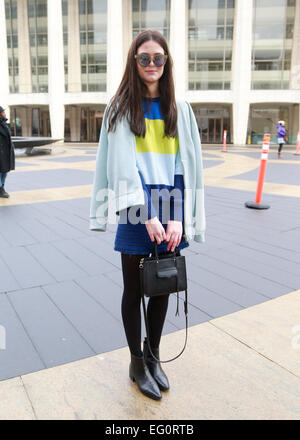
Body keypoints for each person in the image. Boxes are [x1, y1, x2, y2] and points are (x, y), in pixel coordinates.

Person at [90, 30, 205, 400]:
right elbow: (123, 168)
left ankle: (154, 356)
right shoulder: (121, 106)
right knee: (134, 287)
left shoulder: (179, 108)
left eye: (158, 58)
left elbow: (183, 166)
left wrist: (176, 217)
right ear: (134, 62)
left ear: (167, 62)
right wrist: (146, 213)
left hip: (171, 202)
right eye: (144, 58)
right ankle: (137, 362)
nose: (152, 64)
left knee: (162, 283)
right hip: (135, 203)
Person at [0, 106, 15, 198]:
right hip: (1, 152)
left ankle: (2, 186)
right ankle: (1, 189)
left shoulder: (4, 123)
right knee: (0, 171)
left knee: (4, 171)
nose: (4, 113)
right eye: (3, 112)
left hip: (5, 152)